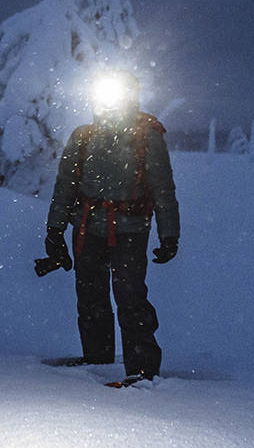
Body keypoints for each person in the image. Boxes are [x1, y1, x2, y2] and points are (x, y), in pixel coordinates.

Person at [43, 70, 179, 381]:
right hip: (87, 229)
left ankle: (143, 369)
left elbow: (163, 189)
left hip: (130, 230)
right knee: (90, 298)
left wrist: (169, 234)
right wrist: (54, 231)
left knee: (130, 298)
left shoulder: (148, 136)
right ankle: (97, 361)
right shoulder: (83, 136)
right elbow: (65, 186)